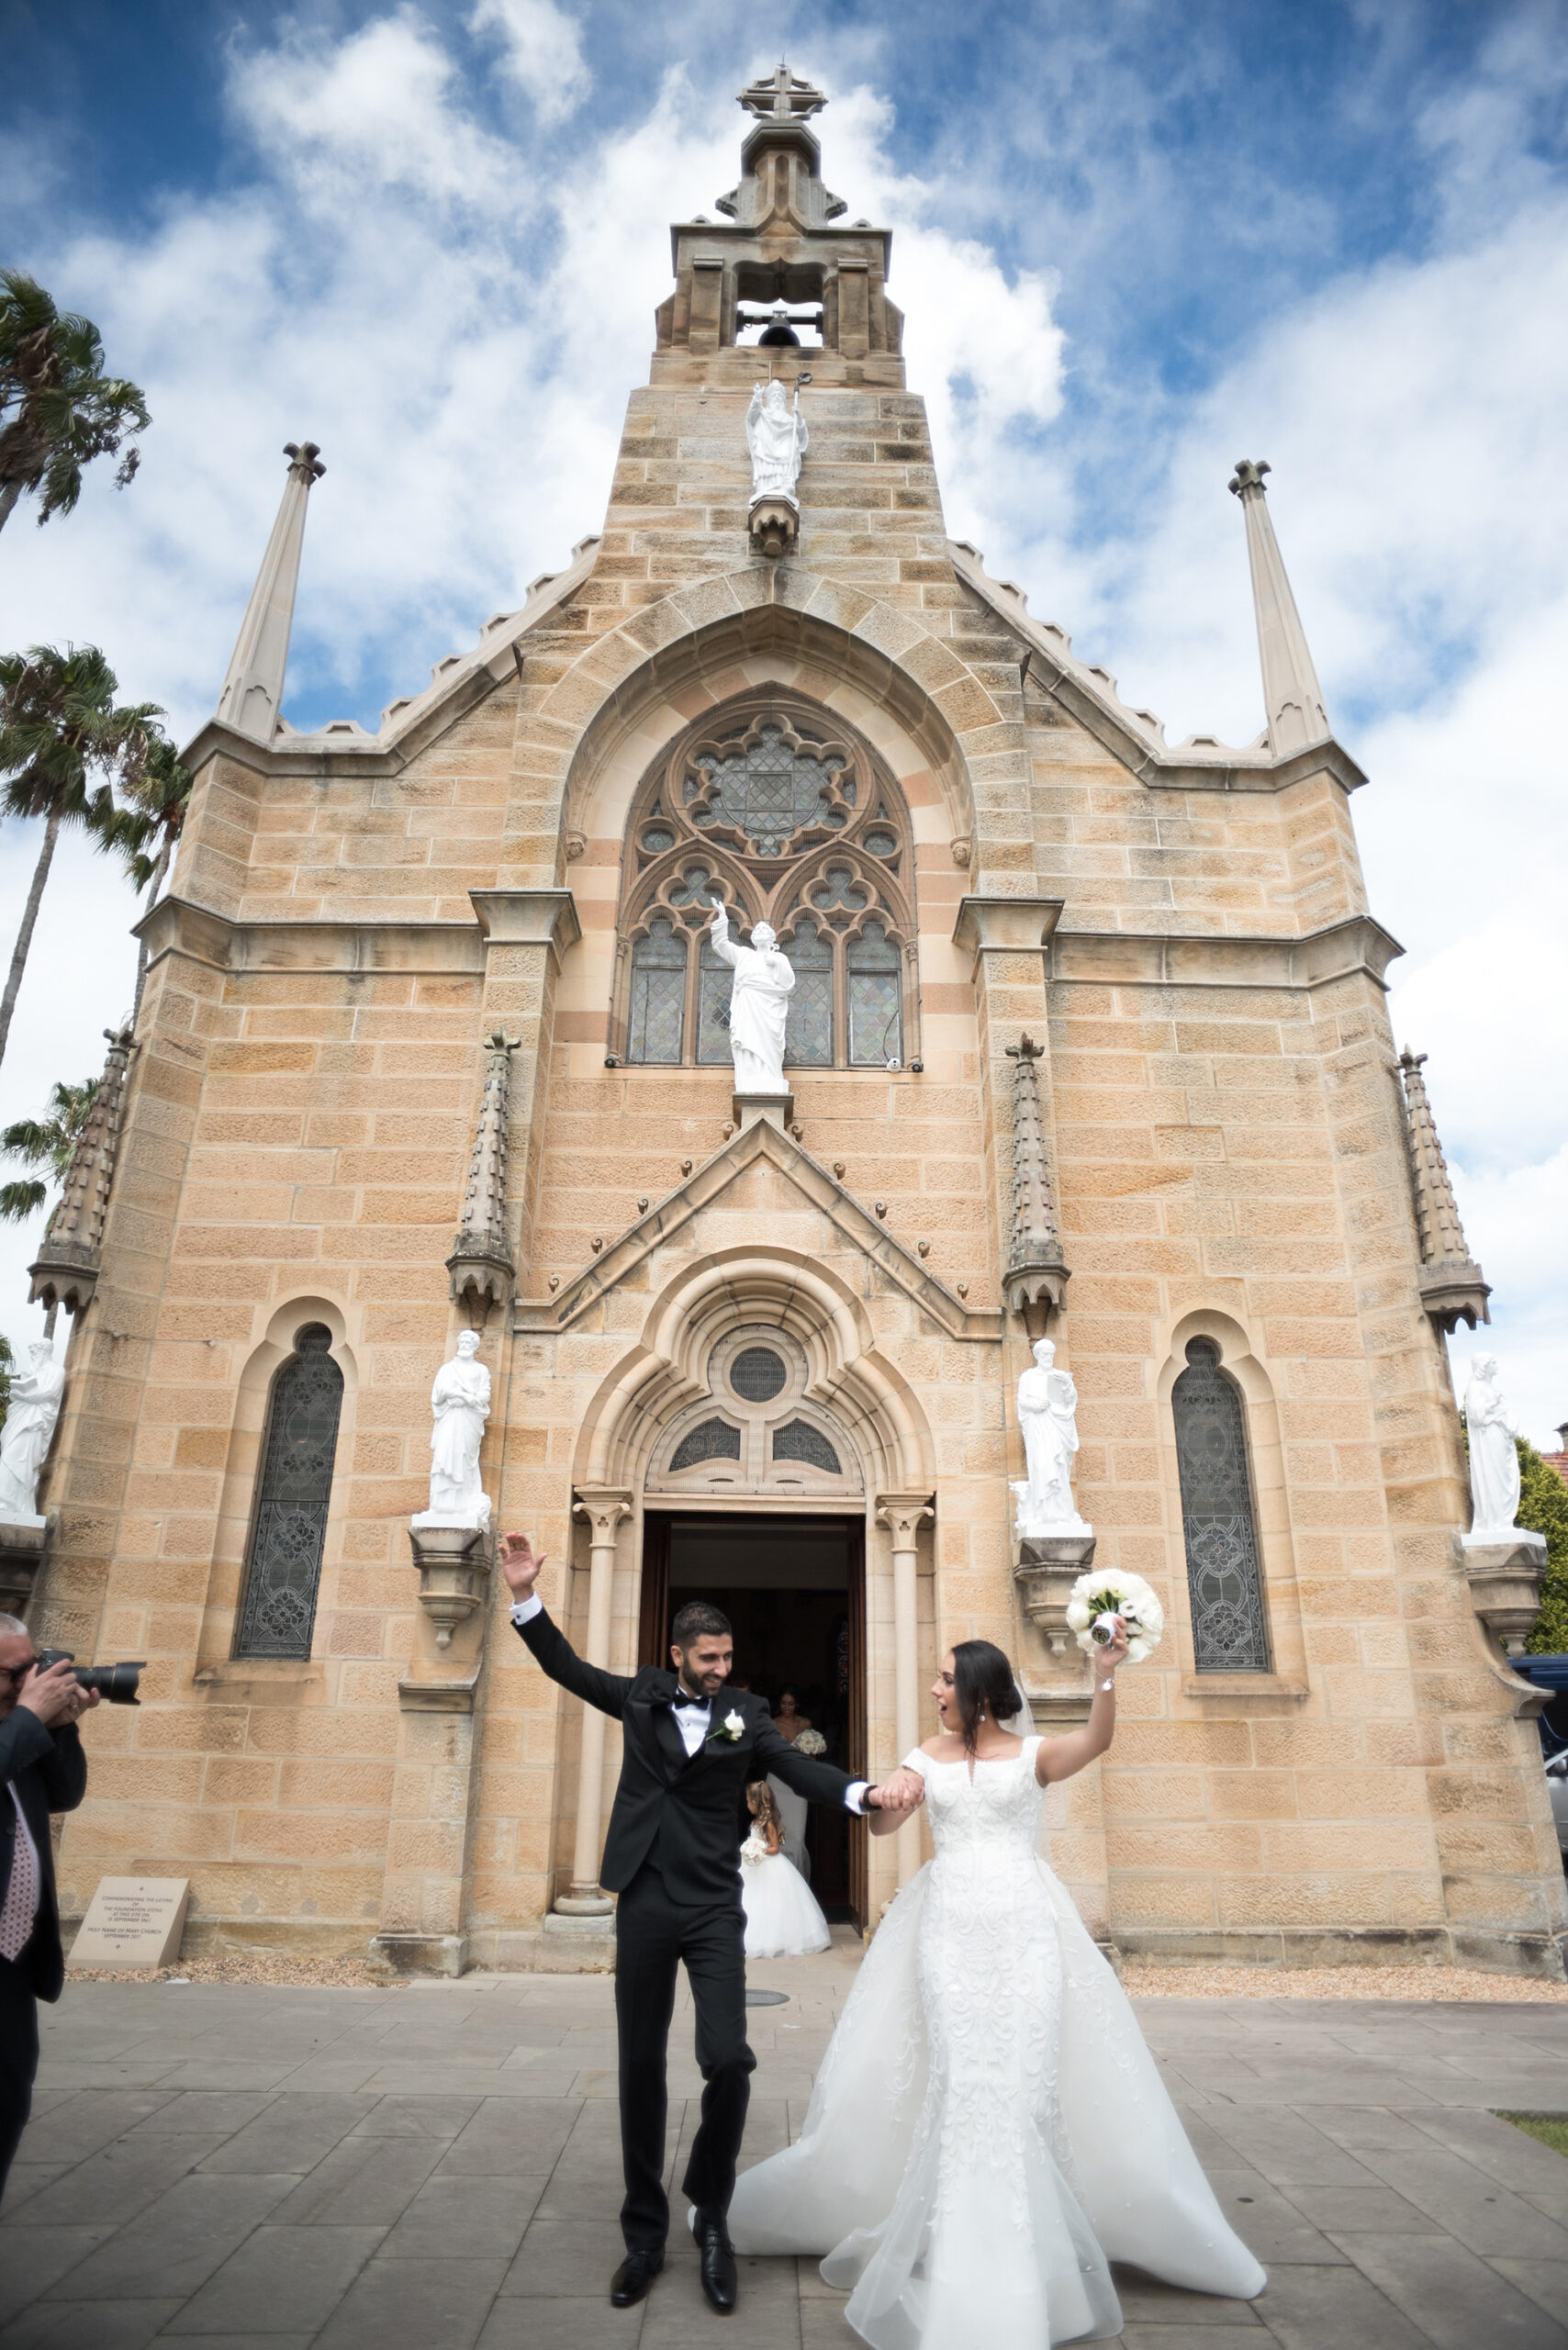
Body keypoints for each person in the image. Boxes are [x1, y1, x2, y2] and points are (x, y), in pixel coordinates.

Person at [728, 1628, 1268, 2345]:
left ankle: (1022, 2257)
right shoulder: (927, 1753)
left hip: (1025, 1936)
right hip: (947, 1936)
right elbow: (886, 1826)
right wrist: (890, 1793)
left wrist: (1104, 1673)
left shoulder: (1033, 1756)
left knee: (1021, 2086)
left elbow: (1096, 1743)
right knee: (966, 2081)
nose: (935, 1690)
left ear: (980, 1691)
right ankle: (968, 2255)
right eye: (935, 1680)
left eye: (946, 1680)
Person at [498, 1531, 924, 2316]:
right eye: (708, 1660)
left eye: (727, 1658)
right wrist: (525, 1596)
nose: (721, 1670)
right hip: (645, 1898)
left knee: (729, 2059)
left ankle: (712, 2209)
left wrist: (862, 1795)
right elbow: (566, 1667)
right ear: (679, 1654)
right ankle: (643, 2236)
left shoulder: (748, 1715)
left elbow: (796, 1767)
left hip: (711, 1902)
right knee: (639, 2067)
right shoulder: (642, 1696)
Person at [0, 1614, 96, 2195]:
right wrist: (32, 1717)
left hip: (10, 1960)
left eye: (32, 1667)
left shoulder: (17, 1729)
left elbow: (65, 1795)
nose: (30, 1680)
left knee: (7, 2101)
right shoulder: (15, 1728)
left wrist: (60, 1727)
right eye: (15, 1672)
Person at [740, 1781, 830, 1958]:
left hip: (768, 1865)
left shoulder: (769, 1824)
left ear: (755, 1802)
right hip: (755, 1867)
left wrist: (758, 1850)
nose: (746, 1804)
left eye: (748, 1800)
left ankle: (774, 1939)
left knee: (771, 1901)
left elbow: (775, 1848)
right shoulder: (757, 1822)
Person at [767, 1687, 815, 1878]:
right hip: (776, 1780)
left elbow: (812, 1756)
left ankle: (796, 1878)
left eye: (791, 1703)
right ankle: (776, 1878)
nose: (787, 1707)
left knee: (796, 1834)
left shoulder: (805, 1724)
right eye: (784, 1703)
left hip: (797, 1782)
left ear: (797, 1705)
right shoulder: (772, 1723)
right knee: (775, 1828)